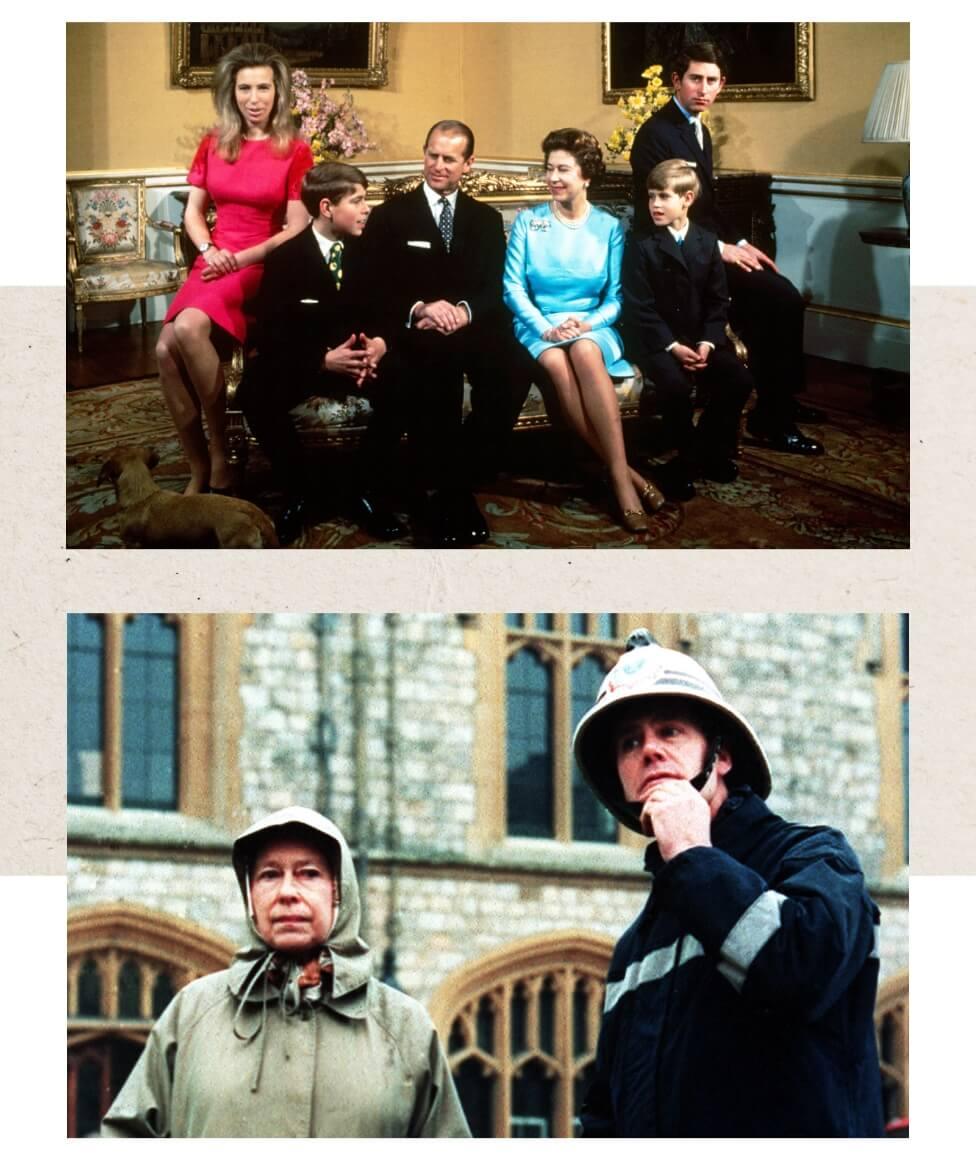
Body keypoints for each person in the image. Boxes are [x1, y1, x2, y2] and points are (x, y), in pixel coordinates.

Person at [572, 630, 885, 1136]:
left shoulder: (815, 859)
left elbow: (800, 972)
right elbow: (607, 1109)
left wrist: (694, 856)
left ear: (720, 757)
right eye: (630, 742)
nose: (648, 750)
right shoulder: (635, 945)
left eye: (670, 731)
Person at [101, 806, 470, 1137]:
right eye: (269, 875)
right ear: (251, 896)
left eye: (308, 874)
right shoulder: (193, 1014)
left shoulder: (405, 1027)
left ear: (338, 891)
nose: (287, 892)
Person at [629, 42, 825, 457]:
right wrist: (719, 248)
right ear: (676, 81)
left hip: (706, 244)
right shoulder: (656, 134)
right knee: (780, 299)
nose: (703, 88)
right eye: (695, 79)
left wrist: (739, 242)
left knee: (780, 294)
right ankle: (773, 415)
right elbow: (661, 212)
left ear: (722, 85)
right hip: (677, 256)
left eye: (712, 81)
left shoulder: (697, 128)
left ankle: (777, 402)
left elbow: (708, 204)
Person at [361, 119, 533, 548]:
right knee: (436, 365)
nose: (438, 165)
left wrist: (464, 310)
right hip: (416, 329)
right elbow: (372, 284)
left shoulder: (485, 219)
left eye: (449, 159)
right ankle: (444, 494)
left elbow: (495, 286)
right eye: (432, 155)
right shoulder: (390, 216)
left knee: (515, 366)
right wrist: (419, 307)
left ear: (468, 164)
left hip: (470, 326)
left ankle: (462, 471)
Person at [157, 42, 313, 495]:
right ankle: (197, 466)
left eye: (263, 87)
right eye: (245, 87)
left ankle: (223, 453)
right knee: (164, 352)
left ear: (278, 92)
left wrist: (238, 258)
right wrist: (208, 250)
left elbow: (294, 229)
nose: (254, 98)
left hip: (258, 262)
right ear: (232, 92)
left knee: (186, 329)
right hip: (214, 259)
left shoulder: (295, 150)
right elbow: (193, 211)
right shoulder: (214, 142)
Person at [503, 129, 665, 534]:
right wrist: (545, 327)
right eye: (549, 169)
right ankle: (628, 477)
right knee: (559, 363)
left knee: (586, 352)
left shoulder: (609, 228)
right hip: (538, 324)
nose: (553, 177)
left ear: (586, 176)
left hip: (594, 324)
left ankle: (621, 485)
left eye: (563, 169)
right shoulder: (529, 221)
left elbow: (616, 297)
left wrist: (587, 324)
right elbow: (512, 287)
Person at [237, 162, 408, 546]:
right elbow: (271, 331)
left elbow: (393, 310)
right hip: (310, 362)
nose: (367, 209)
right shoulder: (286, 258)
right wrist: (322, 359)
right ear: (327, 207)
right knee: (255, 392)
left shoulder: (374, 249)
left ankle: (364, 490)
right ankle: (301, 491)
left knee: (411, 380)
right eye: (359, 201)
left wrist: (380, 345)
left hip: (364, 361)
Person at [622, 159, 753, 502]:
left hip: (701, 340)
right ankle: (692, 459)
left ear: (688, 198)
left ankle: (700, 453)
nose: (655, 205)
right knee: (676, 385)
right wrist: (672, 346)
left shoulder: (707, 242)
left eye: (664, 197)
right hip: (656, 341)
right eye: (651, 197)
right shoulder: (640, 242)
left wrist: (709, 343)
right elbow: (639, 307)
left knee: (738, 379)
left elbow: (717, 301)